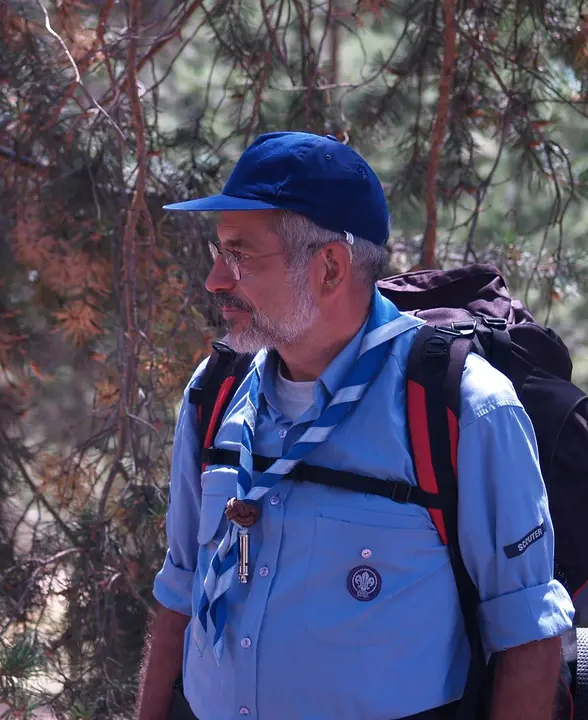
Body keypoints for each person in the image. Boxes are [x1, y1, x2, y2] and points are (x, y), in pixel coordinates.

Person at [136, 131, 576, 720]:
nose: (216, 279)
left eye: (240, 255)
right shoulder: (214, 393)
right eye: (219, 253)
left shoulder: (463, 408)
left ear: (330, 268)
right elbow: (180, 594)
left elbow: (527, 637)